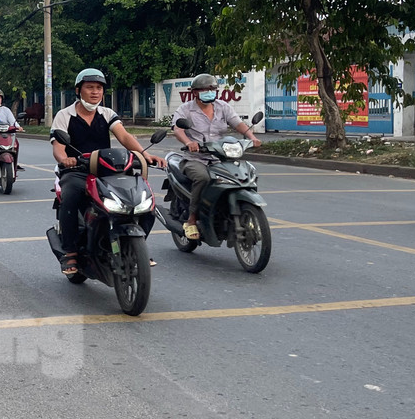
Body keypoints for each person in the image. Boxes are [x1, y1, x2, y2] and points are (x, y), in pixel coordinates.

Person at [51, 68, 164, 276]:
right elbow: (58, 146)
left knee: (144, 200)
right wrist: (65, 159)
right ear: (78, 90)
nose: (95, 92)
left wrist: (144, 155)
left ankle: (134, 246)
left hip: (107, 169)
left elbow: (124, 136)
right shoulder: (64, 115)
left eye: (99, 88)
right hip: (77, 170)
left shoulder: (107, 114)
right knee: (70, 196)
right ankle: (70, 251)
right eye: (90, 87)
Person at [170, 73, 261, 240]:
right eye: (205, 89)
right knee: (203, 178)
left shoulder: (222, 107)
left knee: (245, 173)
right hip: (195, 159)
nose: (209, 92)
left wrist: (252, 138)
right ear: (195, 92)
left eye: (212, 89)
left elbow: (238, 124)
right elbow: (178, 129)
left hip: (221, 158)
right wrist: (189, 142)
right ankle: (191, 220)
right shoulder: (185, 109)